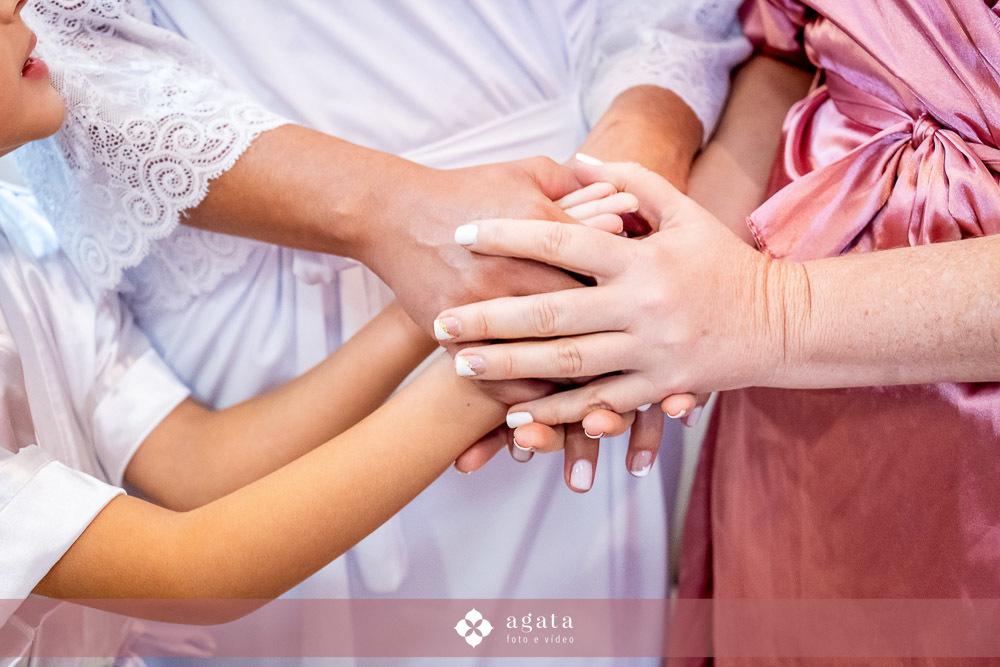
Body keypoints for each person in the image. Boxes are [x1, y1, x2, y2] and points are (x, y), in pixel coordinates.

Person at [14, 0, 752, 641]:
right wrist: (498, 351)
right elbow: (192, 554)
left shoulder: (21, 247)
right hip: (353, 372)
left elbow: (194, 468)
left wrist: (540, 271)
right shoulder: (33, 251)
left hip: (552, 269)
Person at [433, 0, 1000, 662]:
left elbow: (763, 311)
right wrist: (657, 285)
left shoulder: (766, 315)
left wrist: (766, 312)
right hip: (795, 420)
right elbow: (792, 53)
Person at [0, 9, 535, 657]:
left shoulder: (26, 245)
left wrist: (447, 301)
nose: (13, 8)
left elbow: (197, 463)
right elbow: (190, 574)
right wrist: (491, 371)